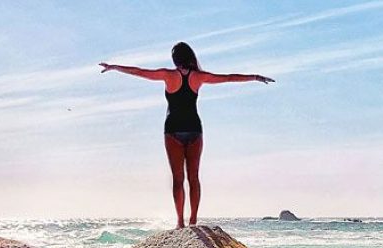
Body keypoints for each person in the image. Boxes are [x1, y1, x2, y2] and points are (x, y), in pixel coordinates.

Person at [100, 42, 274, 228]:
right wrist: (255, 77)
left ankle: (180, 222)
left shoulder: (168, 75)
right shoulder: (198, 77)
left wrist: (115, 67)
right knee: (193, 178)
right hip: (194, 129)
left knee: (178, 179)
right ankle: (193, 220)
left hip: (173, 130)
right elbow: (228, 77)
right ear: (190, 56)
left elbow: (140, 72)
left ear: (175, 59)